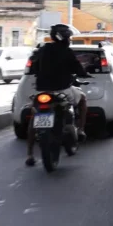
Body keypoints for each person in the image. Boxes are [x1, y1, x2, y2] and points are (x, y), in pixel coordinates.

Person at [25, 24, 90, 167]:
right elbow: (78, 69)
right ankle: (80, 130)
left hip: (42, 92)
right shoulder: (67, 52)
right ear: (65, 38)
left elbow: (33, 67)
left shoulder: (42, 50)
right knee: (83, 99)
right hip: (63, 90)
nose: (70, 40)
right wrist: (84, 73)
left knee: (34, 116)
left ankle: (30, 153)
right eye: (69, 37)